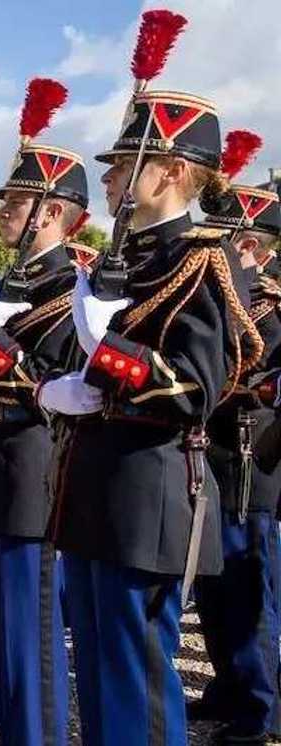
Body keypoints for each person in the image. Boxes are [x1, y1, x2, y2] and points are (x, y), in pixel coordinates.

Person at [41, 31, 258, 741]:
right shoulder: (126, 259)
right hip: (94, 482)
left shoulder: (208, 262)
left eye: (124, 167)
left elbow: (195, 389)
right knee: (100, 670)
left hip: (150, 491)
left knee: (138, 678)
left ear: (169, 171)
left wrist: (109, 345)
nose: (111, 181)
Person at [0, 79, 88, 745]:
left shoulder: (72, 288)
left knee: (31, 643)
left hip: (36, 471)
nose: (2, 212)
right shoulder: (11, 284)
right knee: (0, 633)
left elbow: (54, 382)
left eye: (18, 203)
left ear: (52, 213)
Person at [191, 134, 281, 744]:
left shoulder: (269, 307)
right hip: (216, 456)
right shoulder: (231, 301)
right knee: (213, 586)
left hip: (251, 460)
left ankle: (259, 708)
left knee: (249, 593)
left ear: (247, 246)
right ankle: (226, 686)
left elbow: (253, 377)